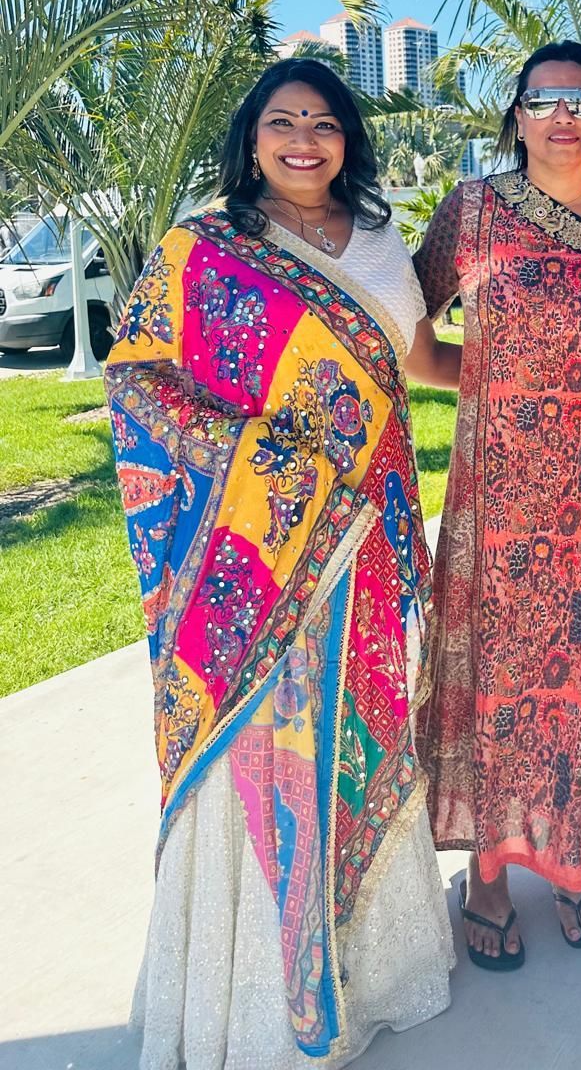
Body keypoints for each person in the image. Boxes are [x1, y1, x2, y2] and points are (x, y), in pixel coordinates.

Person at [105, 59, 462, 1069]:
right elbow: (135, 377)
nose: (304, 138)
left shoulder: (387, 239)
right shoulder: (205, 246)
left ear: (349, 136)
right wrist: (270, 462)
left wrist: (531, 382)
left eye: (324, 121)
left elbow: (417, 358)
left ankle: (372, 973)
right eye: (282, 121)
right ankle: (258, 1001)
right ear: (251, 139)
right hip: (252, 555)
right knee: (263, 749)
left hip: (372, 533)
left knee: (360, 731)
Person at [413, 41, 581, 969]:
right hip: (496, 495)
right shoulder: (472, 211)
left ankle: (571, 858)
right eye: (544, 98)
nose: (564, 114)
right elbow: (411, 332)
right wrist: (485, 383)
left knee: (577, 682)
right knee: (493, 680)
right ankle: (488, 876)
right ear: (517, 115)